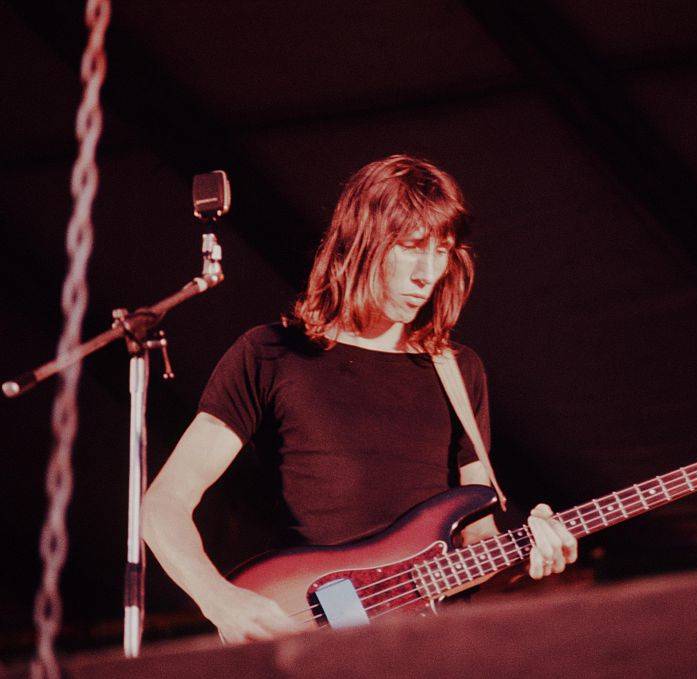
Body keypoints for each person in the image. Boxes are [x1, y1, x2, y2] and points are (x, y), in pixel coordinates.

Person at [142, 155, 577, 644]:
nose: (428, 273)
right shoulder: (270, 355)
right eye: (412, 247)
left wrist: (527, 551)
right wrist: (221, 600)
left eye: (443, 251)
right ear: (361, 241)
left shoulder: (458, 369)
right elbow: (163, 504)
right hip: (312, 633)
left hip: (429, 648)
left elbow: (476, 538)